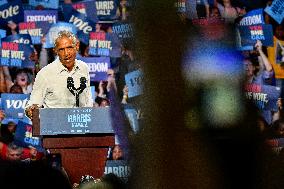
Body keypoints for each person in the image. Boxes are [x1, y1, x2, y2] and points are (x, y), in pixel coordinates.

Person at [25, 31, 93, 120]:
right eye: (61, 49)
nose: (66, 53)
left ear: (76, 47)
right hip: (56, 127)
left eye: (69, 47)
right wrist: (31, 110)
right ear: (55, 51)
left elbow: (87, 100)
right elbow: (32, 104)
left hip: (82, 127)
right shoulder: (45, 73)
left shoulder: (84, 68)